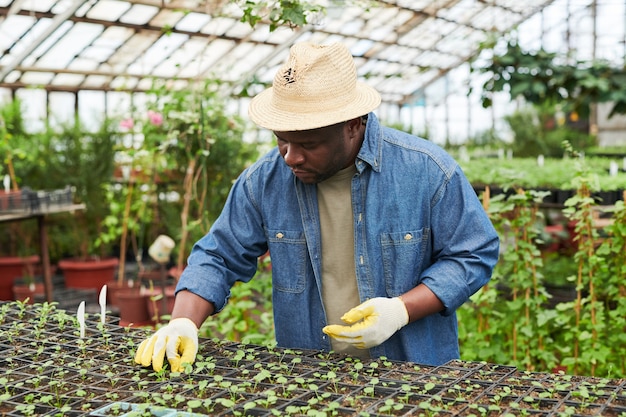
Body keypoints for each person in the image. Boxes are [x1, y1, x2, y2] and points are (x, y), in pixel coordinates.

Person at [134, 42, 500, 373]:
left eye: (308, 143)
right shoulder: (264, 180)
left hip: (411, 376)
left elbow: (473, 253)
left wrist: (402, 309)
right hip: (309, 378)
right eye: (282, 140)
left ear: (353, 125)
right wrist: (182, 322)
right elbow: (218, 256)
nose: (291, 156)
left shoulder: (427, 172)